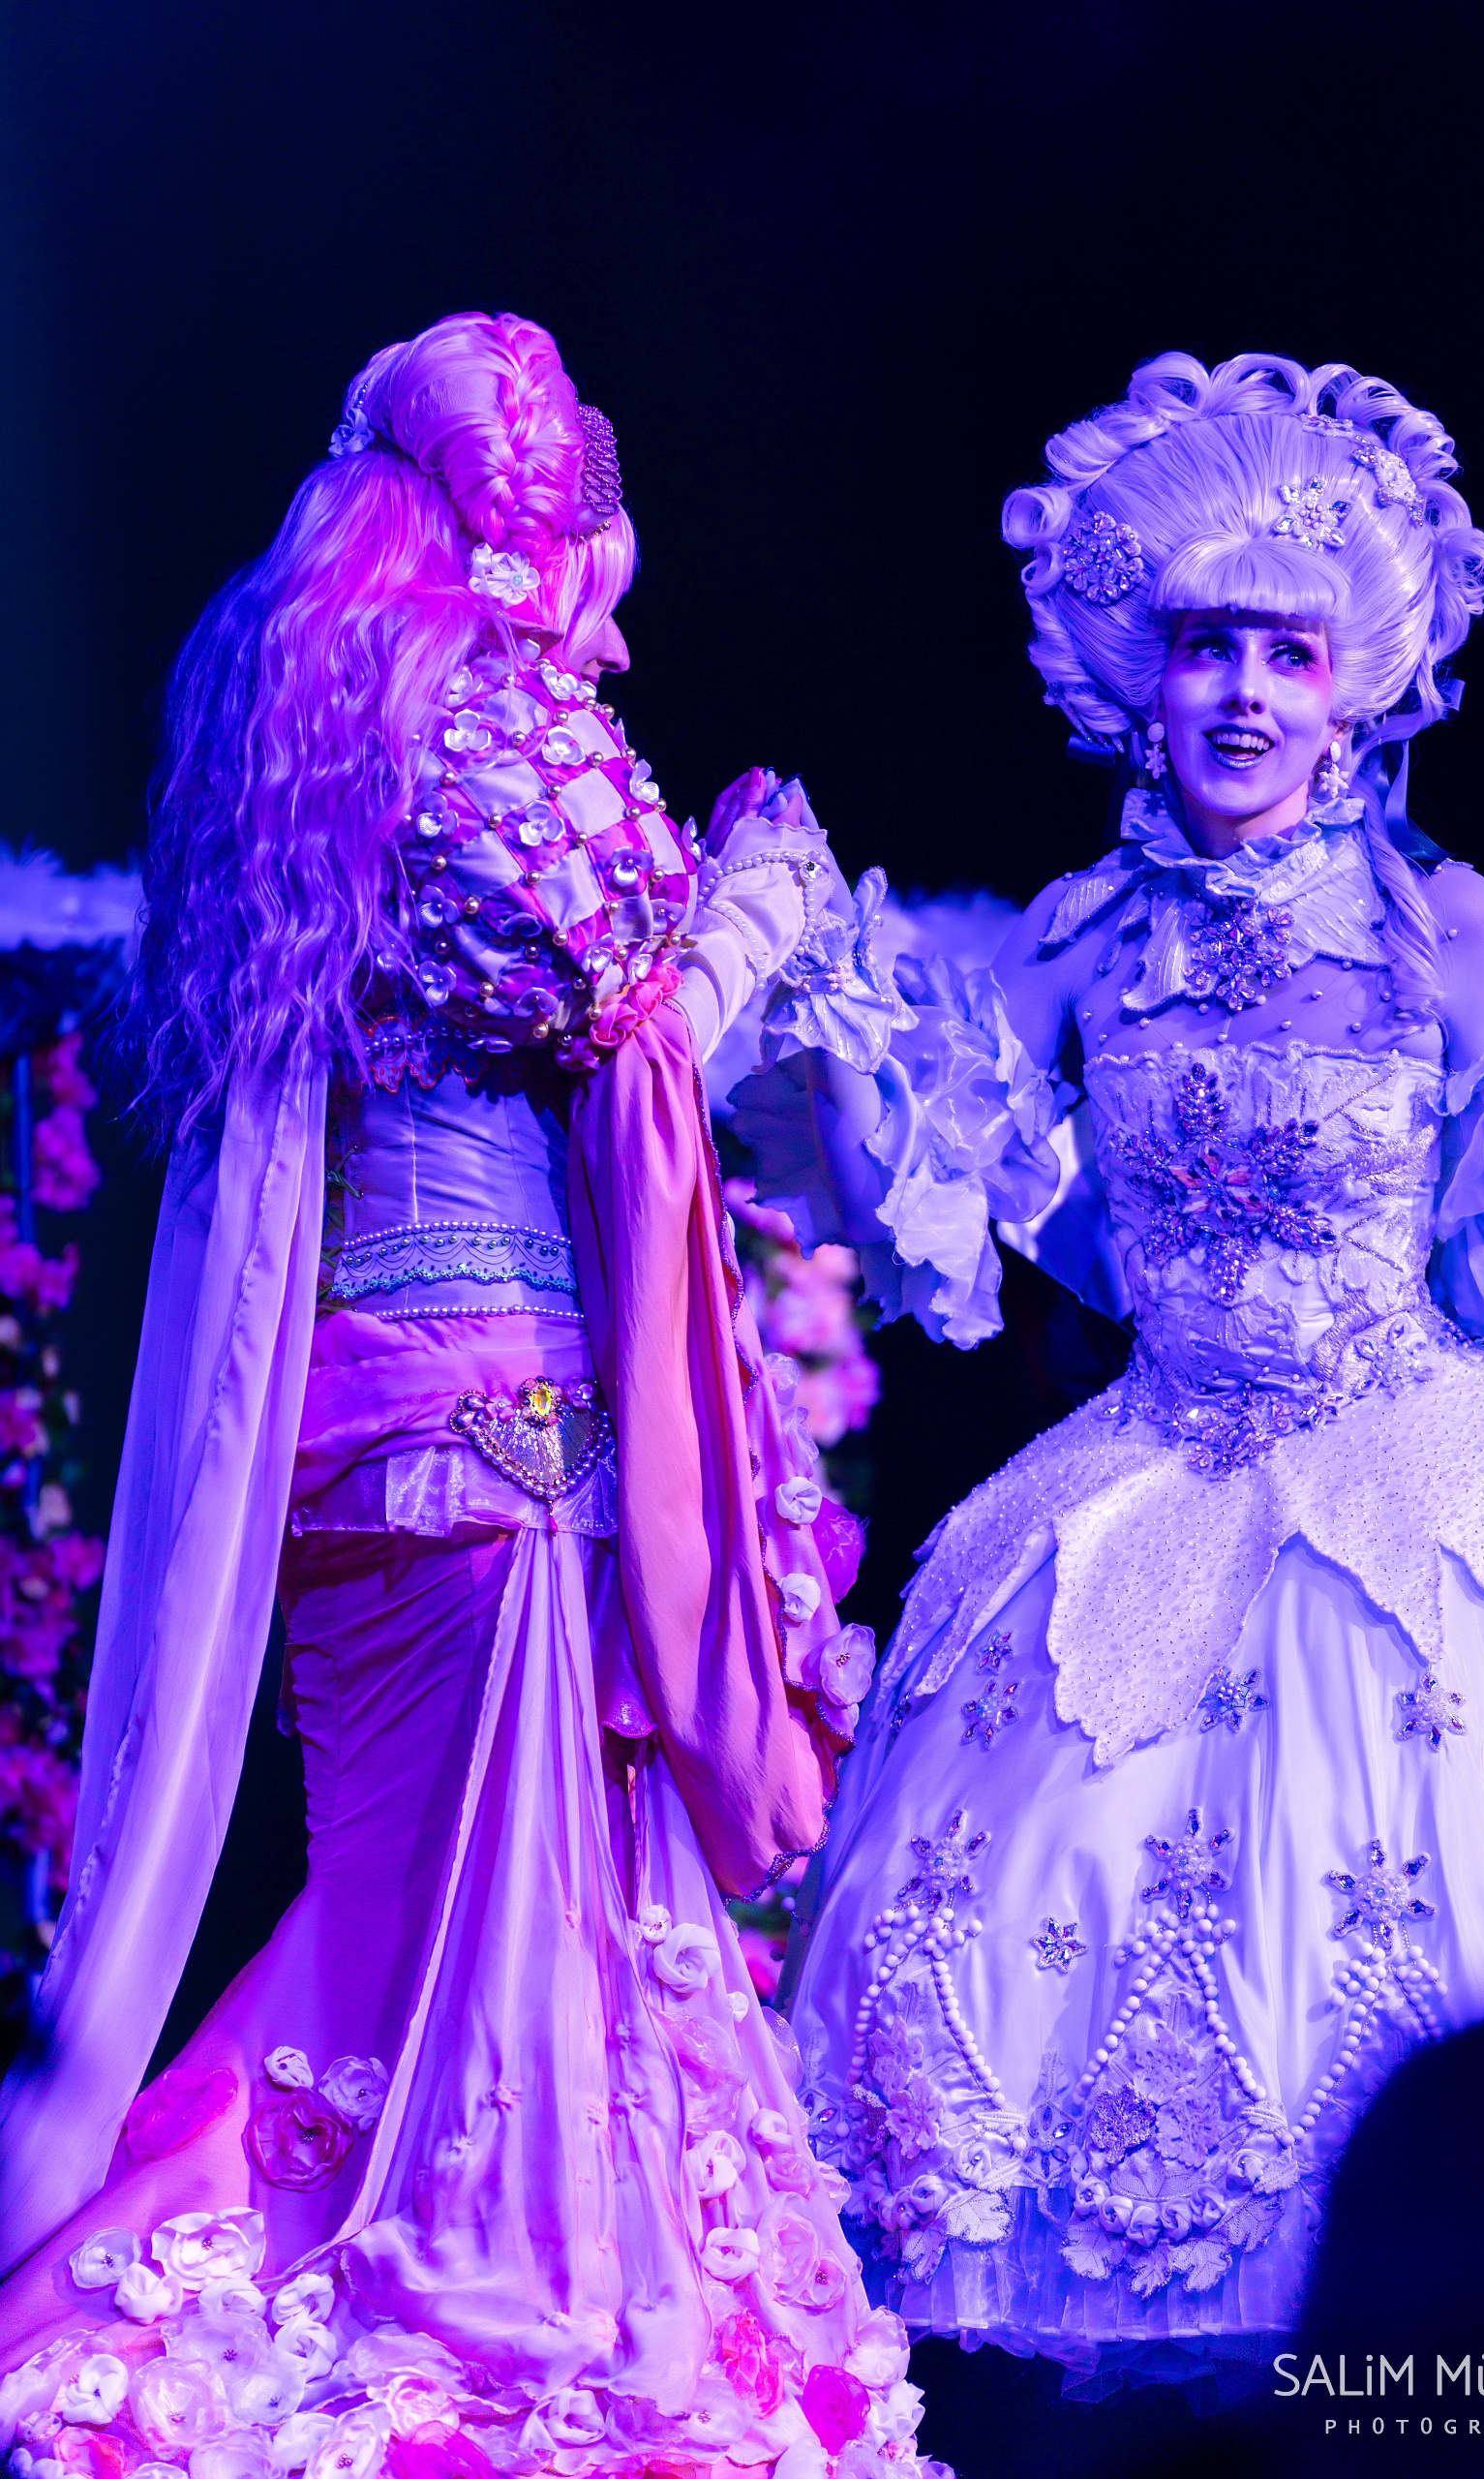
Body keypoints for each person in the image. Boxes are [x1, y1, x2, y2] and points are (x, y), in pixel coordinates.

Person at [0, 312, 933, 2479]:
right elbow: (634, 1036)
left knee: (408, 1917)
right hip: (505, 1433)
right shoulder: (485, 723)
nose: (607, 614)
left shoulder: (312, 717)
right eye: (589, 556)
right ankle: (502, 2306)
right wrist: (759, 907)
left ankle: (468, 2267)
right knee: (514, 1917)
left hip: (367, 1432)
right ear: (526, 529)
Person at [735, 351, 1484, 2396]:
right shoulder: (1074, 939)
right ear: (1137, 681)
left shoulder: (1438, 922)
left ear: (1353, 692)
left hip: (1414, 1484)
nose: (1242, 692)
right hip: (1143, 1491)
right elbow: (971, 1208)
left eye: (1285, 654)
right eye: (1204, 648)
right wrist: (812, 1019)